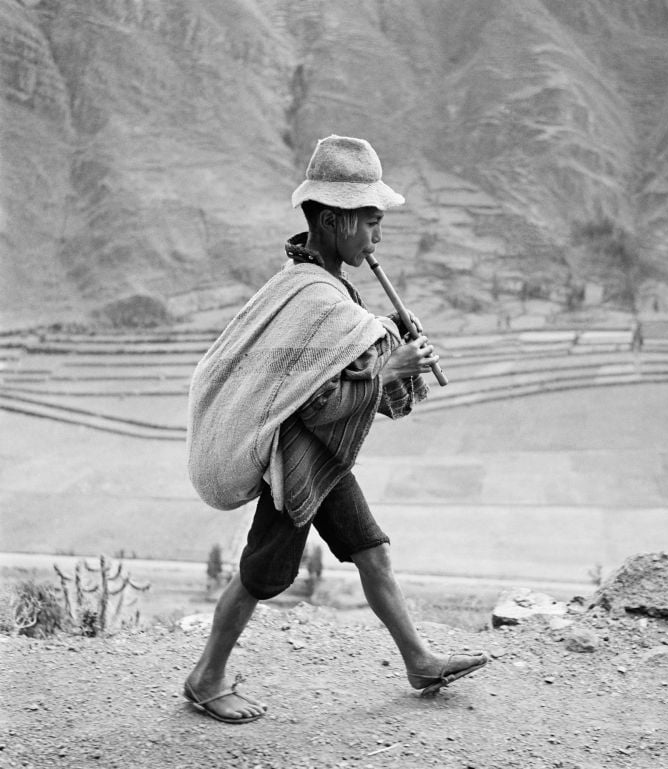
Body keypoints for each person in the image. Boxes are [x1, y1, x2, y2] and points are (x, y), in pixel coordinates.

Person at [183, 135, 489, 724]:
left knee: (371, 551)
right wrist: (390, 368)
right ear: (331, 220)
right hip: (296, 466)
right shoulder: (316, 299)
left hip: (323, 459)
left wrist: (385, 338)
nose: (377, 239)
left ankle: (419, 660)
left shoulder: (318, 288)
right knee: (261, 574)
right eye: (371, 223)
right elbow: (318, 405)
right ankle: (206, 677)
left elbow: (336, 376)